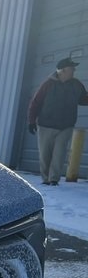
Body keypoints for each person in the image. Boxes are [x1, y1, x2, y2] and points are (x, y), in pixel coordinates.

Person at [28, 57, 88, 185]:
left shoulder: (76, 84)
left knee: (59, 154)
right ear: (63, 70)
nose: (74, 71)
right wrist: (31, 121)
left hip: (66, 126)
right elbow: (36, 103)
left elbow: (83, 99)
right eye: (72, 68)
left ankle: (53, 179)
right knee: (45, 155)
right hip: (46, 125)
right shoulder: (48, 84)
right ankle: (45, 179)